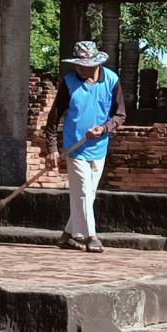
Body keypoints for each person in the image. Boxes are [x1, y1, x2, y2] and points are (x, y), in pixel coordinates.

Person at [43, 40, 127, 252]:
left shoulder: (112, 80)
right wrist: (52, 149)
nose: (81, 69)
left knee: (88, 194)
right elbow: (52, 120)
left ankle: (68, 235)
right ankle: (90, 236)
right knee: (82, 191)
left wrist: (104, 128)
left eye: (86, 65)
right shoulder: (69, 82)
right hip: (75, 147)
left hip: (99, 147)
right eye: (78, 65)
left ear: (97, 64)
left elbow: (120, 115)